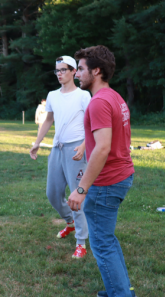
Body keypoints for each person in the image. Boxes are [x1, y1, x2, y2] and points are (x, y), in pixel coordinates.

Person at [67, 45, 136, 297]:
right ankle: (119, 290)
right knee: (107, 240)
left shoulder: (98, 102)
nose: (77, 74)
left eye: (81, 69)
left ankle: (120, 294)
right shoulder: (114, 97)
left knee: (102, 244)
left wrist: (81, 189)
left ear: (96, 71)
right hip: (120, 175)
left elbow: (103, 147)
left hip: (107, 183)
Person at [30, 55, 91, 259]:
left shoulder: (84, 96)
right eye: (57, 70)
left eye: (63, 70)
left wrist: (83, 146)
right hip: (57, 148)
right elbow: (48, 120)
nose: (59, 73)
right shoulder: (53, 95)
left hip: (76, 150)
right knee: (52, 194)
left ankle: (81, 242)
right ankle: (70, 222)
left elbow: (91, 125)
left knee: (76, 196)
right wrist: (37, 143)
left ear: (74, 71)